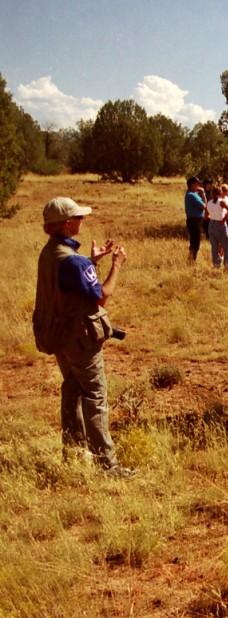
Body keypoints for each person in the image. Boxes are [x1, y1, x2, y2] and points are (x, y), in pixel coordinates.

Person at [33, 197, 133, 477]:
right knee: (95, 395)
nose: (82, 221)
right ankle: (107, 464)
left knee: (72, 389)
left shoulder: (50, 253)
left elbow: (69, 285)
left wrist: (91, 262)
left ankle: (75, 454)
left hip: (58, 337)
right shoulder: (73, 261)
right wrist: (116, 265)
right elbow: (101, 296)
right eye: (78, 218)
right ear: (66, 224)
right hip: (80, 340)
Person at [206, 185, 228, 270]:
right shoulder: (221, 202)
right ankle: (227, 266)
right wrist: (223, 219)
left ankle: (216, 265)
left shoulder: (209, 202)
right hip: (220, 223)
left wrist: (213, 219)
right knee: (227, 246)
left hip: (211, 224)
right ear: (220, 193)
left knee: (214, 247)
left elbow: (206, 216)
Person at [185, 176, 206, 261]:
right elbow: (203, 206)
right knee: (195, 241)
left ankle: (192, 258)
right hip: (194, 220)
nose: (198, 185)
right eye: (197, 183)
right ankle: (192, 259)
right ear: (192, 184)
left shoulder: (193, 194)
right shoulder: (191, 195)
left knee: (194, 240)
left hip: (195, 219)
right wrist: (203, 194)